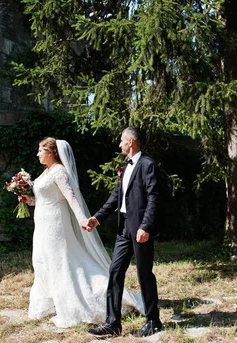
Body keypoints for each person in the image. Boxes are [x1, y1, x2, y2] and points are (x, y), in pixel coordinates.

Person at [19, 137, 144, 328]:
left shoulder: (59, 172)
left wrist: (81, 219)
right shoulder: (46, 172)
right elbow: (46, 198)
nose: (38, 154)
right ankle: (48, 302)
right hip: (42, 222)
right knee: (42, 260)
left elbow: (71, 197)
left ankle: (76, 305)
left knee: (59, 261)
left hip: (56, 224)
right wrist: (30, 201)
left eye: (40, 150)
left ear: (52, 152)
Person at [85, 127, 163, 338]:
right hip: (124, 228)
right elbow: (116, 197)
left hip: (140, 228)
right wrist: (97, 218)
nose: (119, 144)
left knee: (144, 273)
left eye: (121, 141)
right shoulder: (126, 167)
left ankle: (153, 321)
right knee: (115, 271)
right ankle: (112, 323)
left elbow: (154, 198)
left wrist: (145, 226)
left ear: (130, 142)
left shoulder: (148, 165)